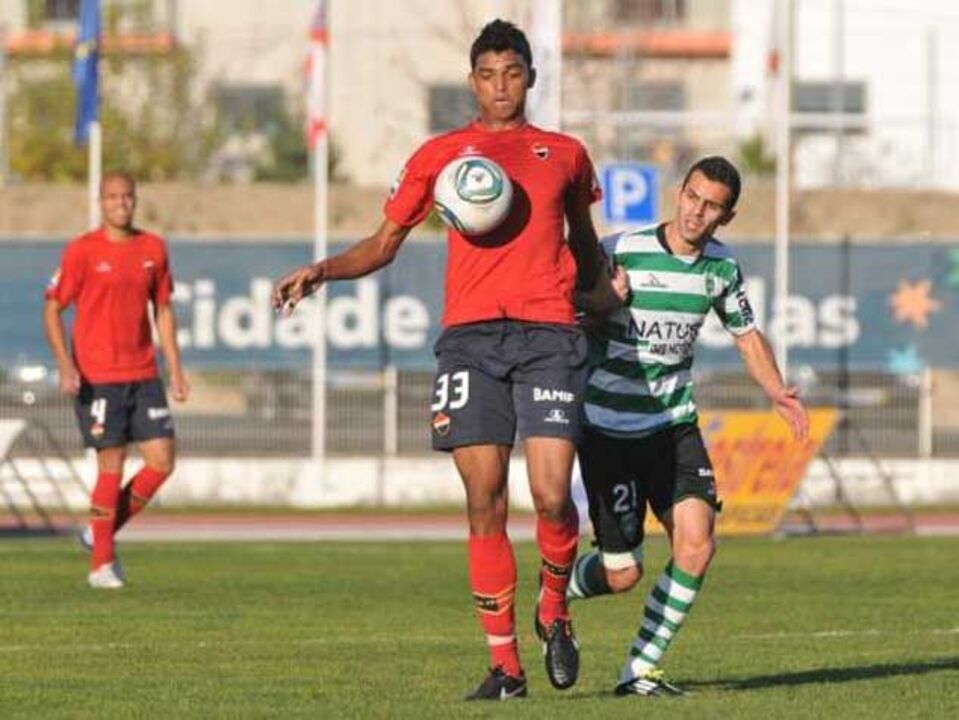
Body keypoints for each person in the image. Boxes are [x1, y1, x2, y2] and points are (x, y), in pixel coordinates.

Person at [273, 19, 609, 701]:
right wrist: (323, 270)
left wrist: (605, 299)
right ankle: (506, 668)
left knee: (551, 494)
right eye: (487, 75)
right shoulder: (440, 155)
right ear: (471, 82)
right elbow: (383, 243)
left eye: (511, 73)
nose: (500, 87)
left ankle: (555, 606)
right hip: (470, 341)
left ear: (530, 77)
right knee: (484, 499)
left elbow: (584, 245)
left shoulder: (565, 154)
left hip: (548, 334)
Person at [568, 156, 810, 696]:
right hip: (607, 428)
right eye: (693, 197)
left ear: (727, 216)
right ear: (679, 193)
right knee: (622, 574)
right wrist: (603, 301)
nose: (698, 212)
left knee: (697, 546)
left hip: (672, 426)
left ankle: (640, 669)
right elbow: (572, 307)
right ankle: (554, 592)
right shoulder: (620, 249)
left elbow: (746, 334)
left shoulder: (721, 268)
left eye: (712, 206)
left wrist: (775, 389)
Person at [43, 170, 189, 589]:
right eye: (112, 197)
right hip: (98, 377)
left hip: (144, 373)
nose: (120, 203)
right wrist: (65, 364)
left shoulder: (153, 248)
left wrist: (175, 368)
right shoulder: (82, 251)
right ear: (101, 202)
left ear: (135, 200)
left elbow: (163, 310)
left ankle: (98, 532)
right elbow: (52, 308)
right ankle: (101, 565)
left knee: (162, 462)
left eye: (127, 196)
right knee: (112, 463)